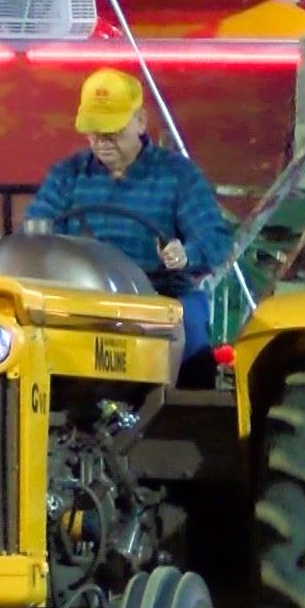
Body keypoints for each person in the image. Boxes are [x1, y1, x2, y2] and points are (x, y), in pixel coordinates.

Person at [25, 67, 231, 385]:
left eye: (113, 132)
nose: (103, 143)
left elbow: (215, 239)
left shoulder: (177, 175)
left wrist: (186, 254)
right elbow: (36, 230)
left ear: (140, 122)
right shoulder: (67, 175)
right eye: (95, 133)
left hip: (159, 293)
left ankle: (182, 411)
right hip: (83, 294)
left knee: (189, 335)